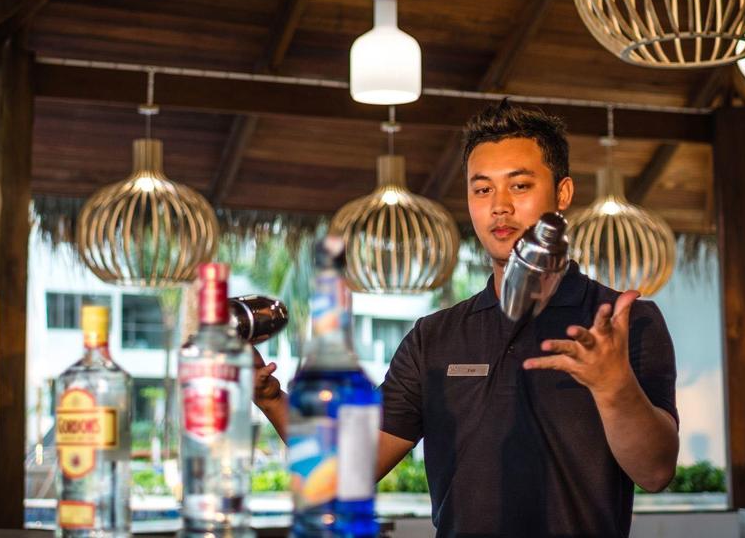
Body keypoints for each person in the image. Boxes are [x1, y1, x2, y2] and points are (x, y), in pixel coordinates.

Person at [253, 101, 679, 538]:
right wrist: (271, 399)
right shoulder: (434, 337)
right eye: (482, 190)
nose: (499, 207)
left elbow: (656, 471)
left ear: (563, 193)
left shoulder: (623, 322)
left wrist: (614, 388)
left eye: (520, 186)